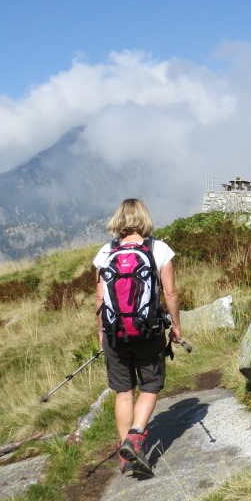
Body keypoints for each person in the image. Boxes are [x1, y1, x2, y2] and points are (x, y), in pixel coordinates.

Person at [93, 198, 182, 474]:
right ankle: (135, 437)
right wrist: (176, 327)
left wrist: (101, 333)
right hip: (148, 332)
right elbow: (170, 293)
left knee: (123, 391)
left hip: (114, 334)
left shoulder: (105, 253)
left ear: (118, 220)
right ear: (144, 218)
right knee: (150, 386)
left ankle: (125, 453)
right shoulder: (159, 249)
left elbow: (100, 300)